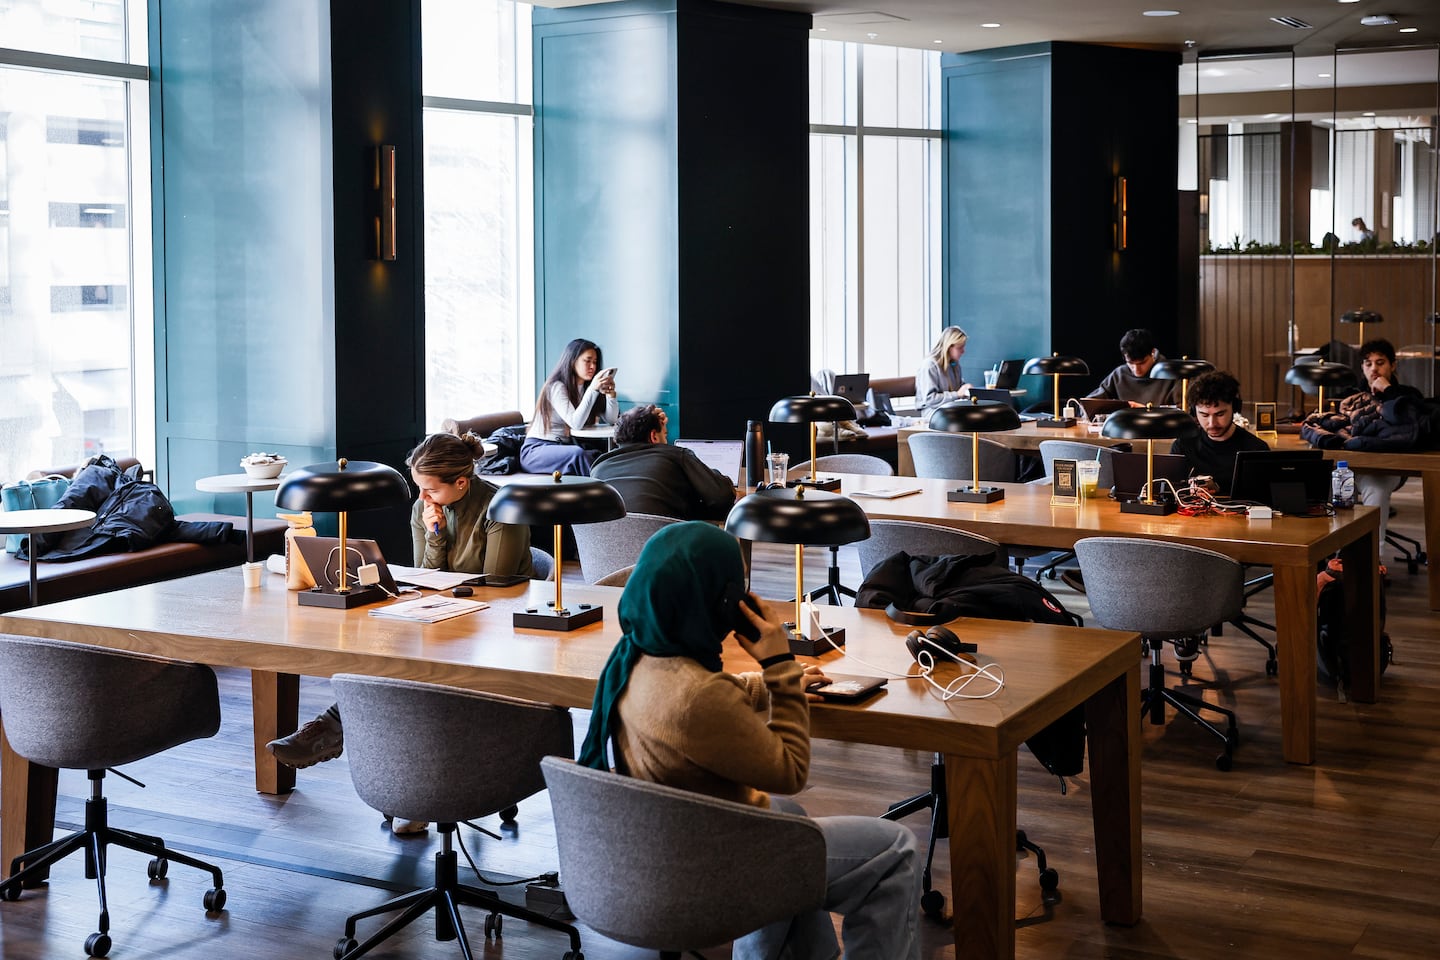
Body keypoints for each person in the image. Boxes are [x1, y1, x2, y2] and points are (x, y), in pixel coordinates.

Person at [578, 522, 921, 960]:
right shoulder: (699, 696)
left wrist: (765, 683)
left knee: (787, 817)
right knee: (896, 849)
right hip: (713, 867)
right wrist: (780, 666)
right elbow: (790, 769)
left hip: (657, 847)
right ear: (722, 601)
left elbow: (700, 701)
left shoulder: (637, 654)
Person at [266, 433, 535, 832]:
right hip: (446, 614)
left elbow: (495, 580)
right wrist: (435, 533)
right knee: (386, 650)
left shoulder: (501, 506)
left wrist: (440, 544)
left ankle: (347, 739)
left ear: (461, 482)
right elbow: (428, 574)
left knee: (419, 672)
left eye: (430, 488)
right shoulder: (424, 509)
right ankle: (343, 737)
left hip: (497, 623)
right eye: (419, 487)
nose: (422, 496)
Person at [590, 404, 736, 520]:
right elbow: (721, 496)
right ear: (654, 436)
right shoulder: (675, 454)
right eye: (664, 434)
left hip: (602, 554)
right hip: (662, 554)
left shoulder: (598, 467)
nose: (666, 441)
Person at [519, 338, 618, 476]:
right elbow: (575, 423)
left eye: (595, 362)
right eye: (587, 361)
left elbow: (611, 419)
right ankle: (604, 493)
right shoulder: (556, 387)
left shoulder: (586, 388)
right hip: (536, 450)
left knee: (599, 455)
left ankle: (611, 489)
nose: (592, 367)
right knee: (578, 454)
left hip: (562, 447)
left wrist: (611, 395)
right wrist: (593, 390)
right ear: (572, 361)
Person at [1169, 371, 1269, 496]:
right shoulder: (1182, 446)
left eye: (1220, 414)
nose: (1212, 423)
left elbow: (1264, 499)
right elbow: (1171, 493)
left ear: (1235, 408)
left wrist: (1218, 490)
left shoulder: (1256, 450)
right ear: (1194, 412)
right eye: (1204, 415)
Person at [1086, 328, 1179, 407]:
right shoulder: (1119, 375)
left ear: (1153, 353)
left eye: (1142, 363)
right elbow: (1090, 404)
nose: (1136, 370)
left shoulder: (1171, 374)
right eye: (1131, 363)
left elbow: (1184, 412)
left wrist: (1147, 411)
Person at [915, 326, 972, 411]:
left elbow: (959, 388)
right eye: (960, 348)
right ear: (949, 347)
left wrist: (966, 389)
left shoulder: (954, 364)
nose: (963, 351)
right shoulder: (930, 365)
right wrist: (957, 394)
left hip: (951, 409)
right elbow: (929, 399)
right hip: (933, 412)